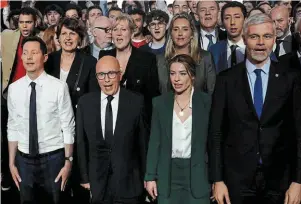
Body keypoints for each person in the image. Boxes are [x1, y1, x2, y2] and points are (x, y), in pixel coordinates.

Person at [209, 13, 301, 204]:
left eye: (267, 36)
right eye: (254, 36)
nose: (261, 43)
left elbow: (299, 133)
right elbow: (216, 132)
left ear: (274, 40)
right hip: (237, 180)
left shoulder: (290, 78)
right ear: (244, 39)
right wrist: (217, 179)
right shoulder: (226, 79)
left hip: (280, 180)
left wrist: (298, 181)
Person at [7, 36, 75, 204]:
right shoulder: (14, 89)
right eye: (25, 53)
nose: (29, 57)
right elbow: (12, 126)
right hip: (23, 160)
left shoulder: (59, 87)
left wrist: (68, 162)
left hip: (54, 158)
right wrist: (11, 162)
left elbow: (68, 126)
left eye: (34, 52)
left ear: (44, 57)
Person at [76, 55, 148, 204]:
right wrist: (84, 177)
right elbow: (81, 143)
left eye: (111, 74)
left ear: (120, 75)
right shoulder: (85, 103)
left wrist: (147, 177)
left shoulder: (136, 102)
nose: (106, 79)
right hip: (97, 184)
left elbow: (144, 144)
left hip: (129, 184)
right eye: (101, 75)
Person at [45, 17, 98, 204]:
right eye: (64, 34)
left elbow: (93, 102)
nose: (68, 38)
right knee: (56, 188)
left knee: (79, 184)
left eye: (72, 33)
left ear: (80, 38)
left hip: (79, 131)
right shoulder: (49, 61)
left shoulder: (90, 62)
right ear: (57, 37)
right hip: (51, 133)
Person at [145, 54, 211, 204]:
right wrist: (150, 177)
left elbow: (213, 143)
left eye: (182, 73)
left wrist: (217, 179)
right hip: (167, 175)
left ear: (192, 76)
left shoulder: (207, 102)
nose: (176, 79)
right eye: (172, 73)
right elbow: (155, 142)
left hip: (199, 175)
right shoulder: (160, 103)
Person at [98, 14, 160, 121]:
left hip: (138, 120)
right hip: (110, 119)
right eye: (115, 29)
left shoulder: (147, 59)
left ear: (131, 33)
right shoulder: (104, 56)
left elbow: (152, 97)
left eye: (123, 29)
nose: (118, 34)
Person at [156, 12, 216, 94]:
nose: (180, 34)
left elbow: (211, 91)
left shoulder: (205, 58)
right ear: (171, 33)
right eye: (176, 29)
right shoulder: (160, 60)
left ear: (192, 33)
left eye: (185, 29)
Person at [2, 7, 37, 98]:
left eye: (28, 22)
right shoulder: (7, 36)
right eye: (21, 22)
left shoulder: (43, 38)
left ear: (35, 23)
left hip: (32, 91)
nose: (24, 26)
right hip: (10, 91)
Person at [209, 1, 247, 73]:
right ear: (222, 22)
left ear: (245, 20)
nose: (232, 22)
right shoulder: (214, 50)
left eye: (237, 17)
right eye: (227, 18)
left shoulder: (256, 47)